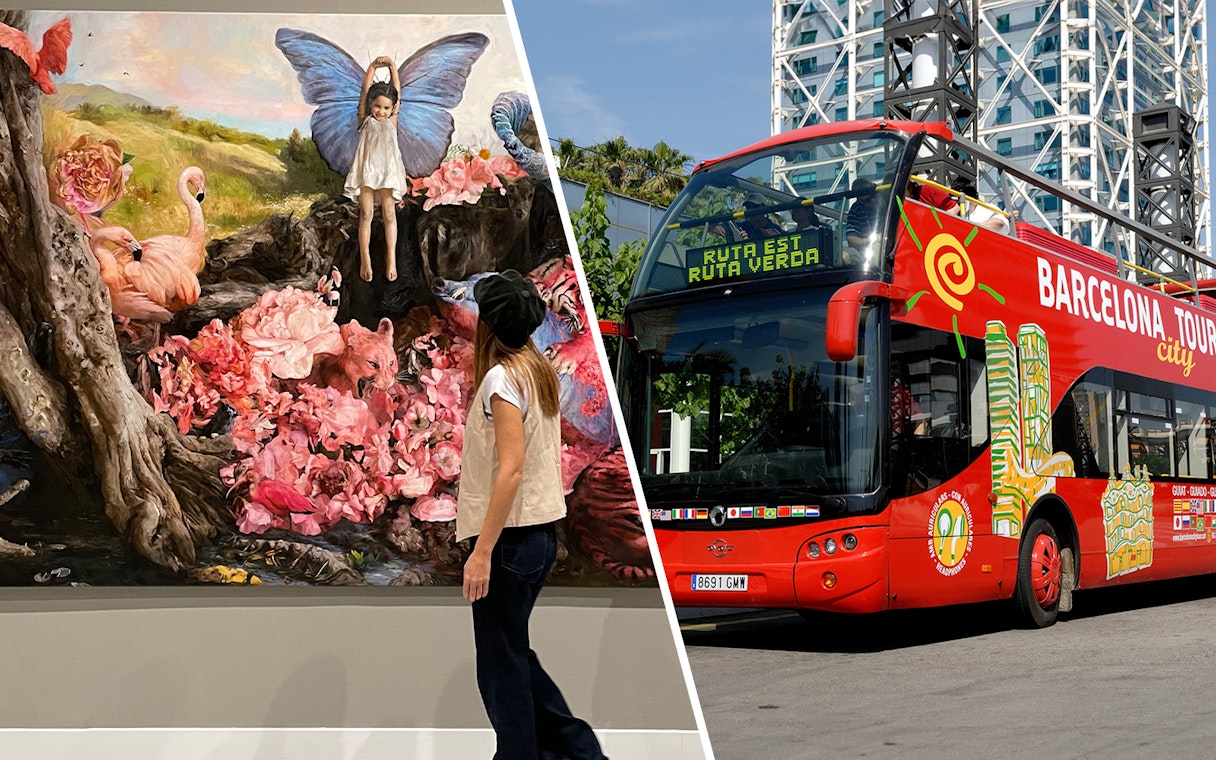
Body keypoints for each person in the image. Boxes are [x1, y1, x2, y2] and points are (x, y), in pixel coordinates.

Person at [458, 270, 608, 760]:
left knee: (501, 669)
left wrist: (481, 553)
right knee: (514, 657)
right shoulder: (535, 367)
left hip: (511, 542)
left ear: (490, 325)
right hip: (537, 537)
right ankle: (578, 751)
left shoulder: (502, 378)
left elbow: (512, 470)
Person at [345, 56, 409, 282]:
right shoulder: (365, 120)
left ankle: (390, 258)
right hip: (367, 173)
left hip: (388, 174)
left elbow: (397, 92)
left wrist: (392, 67)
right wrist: (372, 67)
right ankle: (366, 259)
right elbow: (364, 92)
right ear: (371, 105)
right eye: (377, 106)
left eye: (386, 108)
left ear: (392, 109)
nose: (381, 111)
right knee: (366, 214)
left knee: (390, 214)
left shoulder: (392, 120)